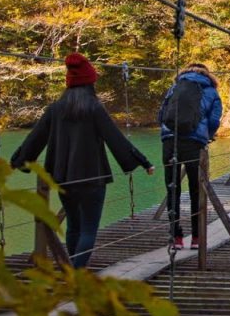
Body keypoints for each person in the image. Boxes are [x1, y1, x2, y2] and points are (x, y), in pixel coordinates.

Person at [11, 53, 155, 269]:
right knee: (89, 229)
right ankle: (77, 273)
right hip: (92, 178)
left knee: (74, 226)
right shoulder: (94, 108)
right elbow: (114, 138)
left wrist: (19, 161)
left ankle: (71, 268)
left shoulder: (55, 109)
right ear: (90, 83)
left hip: (63, 178)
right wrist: (143, 162)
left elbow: (35, 139)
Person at [158, 63, 222, 250]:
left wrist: (167, 133)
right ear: (207, 74)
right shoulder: (210, 91)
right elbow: (213, 119)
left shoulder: (175, 87)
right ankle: (196, 238)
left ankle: (176, 237)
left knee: (172, 189)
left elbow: (161, 115)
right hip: (194, 144)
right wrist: (207, 136)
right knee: (196, 190)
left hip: (170, 141)